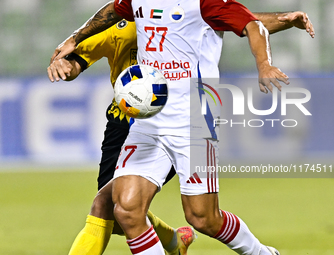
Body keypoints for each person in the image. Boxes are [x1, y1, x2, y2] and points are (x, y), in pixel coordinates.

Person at [49, 1, 315, 254]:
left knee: (203, 218)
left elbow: (252, 25)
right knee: (126, 209)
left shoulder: (204, 2)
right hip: (150, 118)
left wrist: (264, 64)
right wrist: (74, 38)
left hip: (196, 117)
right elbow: (114, 9)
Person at [48, 20, 195, 255]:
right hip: (122, 125)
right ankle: (173, 241)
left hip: (169, 127)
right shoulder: (117, 25)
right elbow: (77, 61)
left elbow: (238, 20)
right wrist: (65, 67)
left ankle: (174, 242)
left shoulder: (183, 18)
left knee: (107, 205)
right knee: (116, 212)